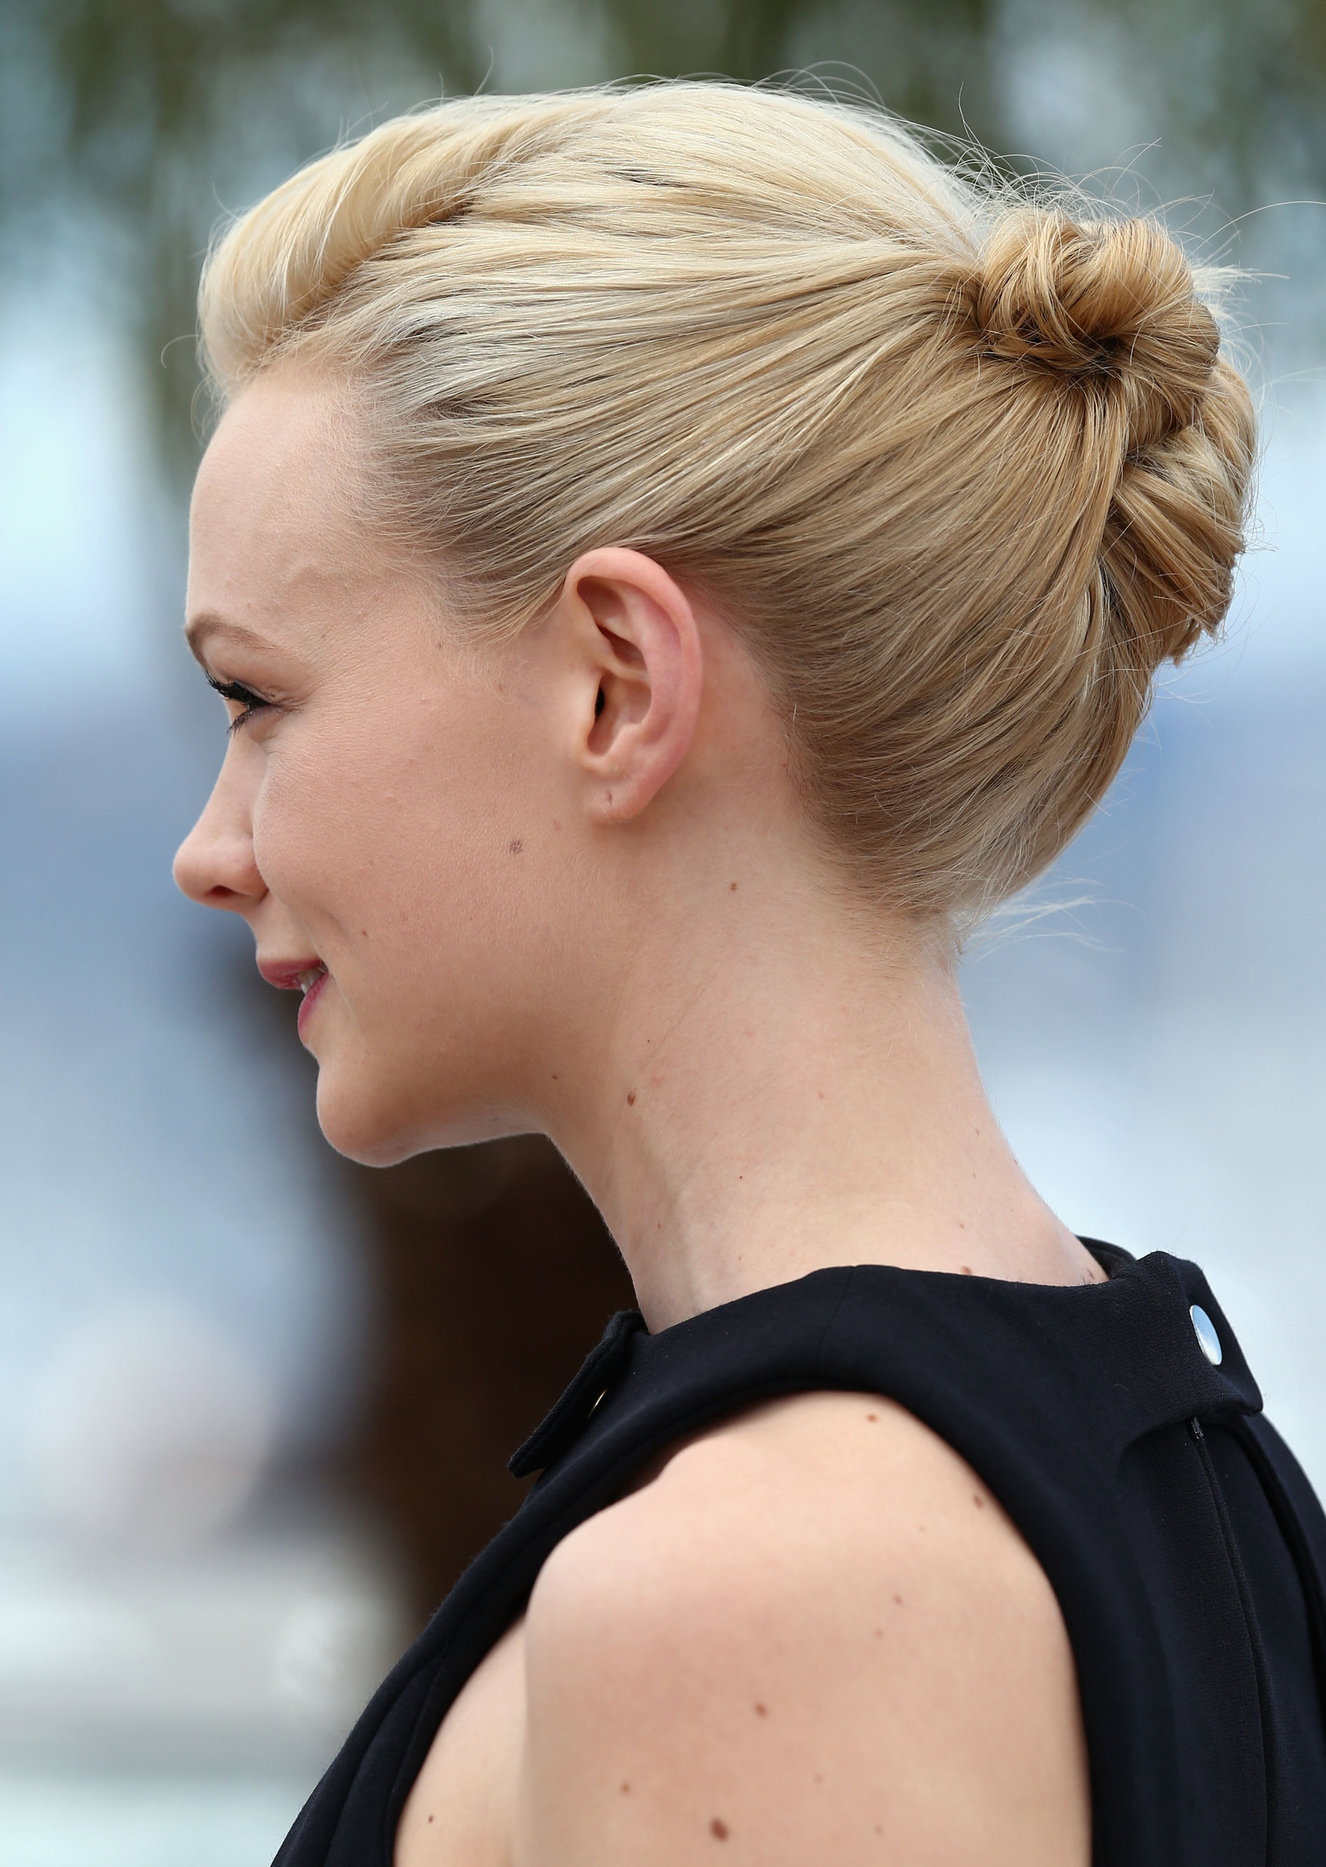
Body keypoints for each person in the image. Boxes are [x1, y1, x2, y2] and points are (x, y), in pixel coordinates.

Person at [172, 81, 1326, 1867]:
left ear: (616, 684)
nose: (209, 846)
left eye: (259, 703)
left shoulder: (760, 1584)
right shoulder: (1166, 1438)